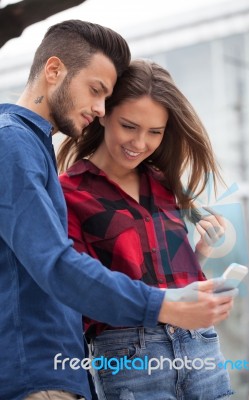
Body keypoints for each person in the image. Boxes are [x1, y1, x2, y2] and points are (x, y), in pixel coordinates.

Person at [0, 20, 235, 400]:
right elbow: (60, 267)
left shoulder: (32, 146)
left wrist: (196, 261)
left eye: (155, 132)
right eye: (96, 92)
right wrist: (166, 304)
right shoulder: (14, 143)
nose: (98, 107)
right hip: (61, 369)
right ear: (54, 70)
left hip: (179, 354)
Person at [58, 59, 237, 399]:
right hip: (129, 355)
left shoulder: (161, 183)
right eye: (129, 126)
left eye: (155, 132)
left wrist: (201, 251)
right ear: (104, 113)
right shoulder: (69, 192)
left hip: (200, 345)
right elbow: (81, 288)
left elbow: (169, 276)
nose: (140, 143)